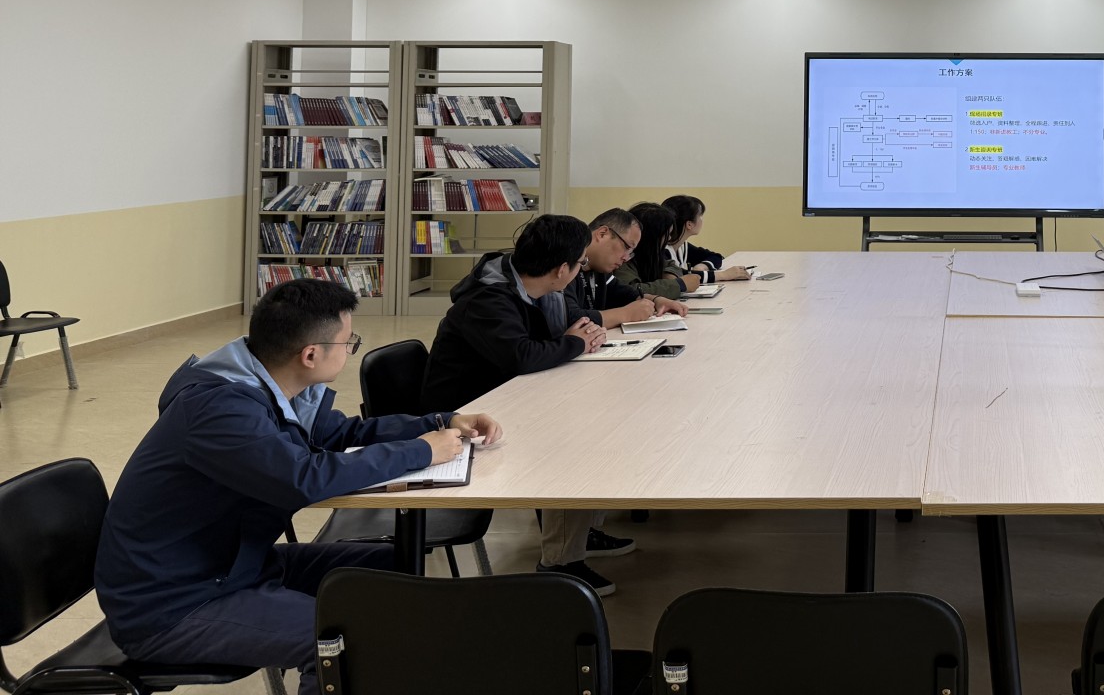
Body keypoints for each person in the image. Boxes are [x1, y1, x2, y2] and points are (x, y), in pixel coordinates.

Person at [94, 280, 502, 695]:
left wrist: (440, 423)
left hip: (235, 566)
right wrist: (420, 451)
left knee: (400, 566)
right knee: (343, 641)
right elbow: (302, 478)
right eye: (348, 342)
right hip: (173, 603)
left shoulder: (271, 384)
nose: (350, 349)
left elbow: (343, 433)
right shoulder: (219, 408)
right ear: (310, 355)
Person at [421, 213, 629, 596]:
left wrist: (577, 336)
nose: (582, 269)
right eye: (580, 263)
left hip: (499, 398)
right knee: (572, 441)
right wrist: (575, 342)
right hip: (464, 416)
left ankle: (581, 531)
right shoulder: (488, 297)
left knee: (592, 419)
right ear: (562, 269)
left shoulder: (538, 289)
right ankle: (561, 562)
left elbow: (560, 331)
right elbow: (523, 356)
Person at [567, 206, 687, 326]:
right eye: (627, 247)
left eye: (630, 252)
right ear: (602, 234)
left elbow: (622, 293)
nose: (625, 258)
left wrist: (656, 300)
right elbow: (569, 317)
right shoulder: (567, 261)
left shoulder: (599, 268)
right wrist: (626, 314)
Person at [661, 194, 751, 289]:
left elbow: (716, 257)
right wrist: (723, 275)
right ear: (689, 224)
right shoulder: (664, 250)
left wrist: (702, 266)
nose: (702, 219)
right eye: (700, 216)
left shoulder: (682, 246)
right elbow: (680, 276)